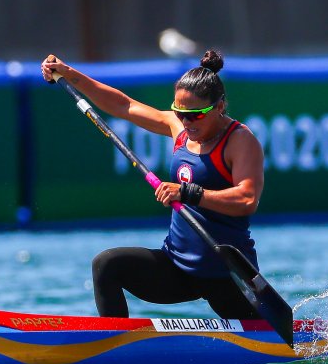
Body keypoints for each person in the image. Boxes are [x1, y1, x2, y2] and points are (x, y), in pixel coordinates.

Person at [41, 50, 264, 320]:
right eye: (179, 112)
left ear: (219, 107)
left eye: (195, 115)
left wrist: (187, 192)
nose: (185, 121)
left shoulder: (240, 141)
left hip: (225, 272)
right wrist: (68, 73)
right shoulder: (179, 128)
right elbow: (123, 105)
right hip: (178, 267)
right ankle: (116, 346)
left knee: (254, 340)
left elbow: (247, 199)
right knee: (107, 264)